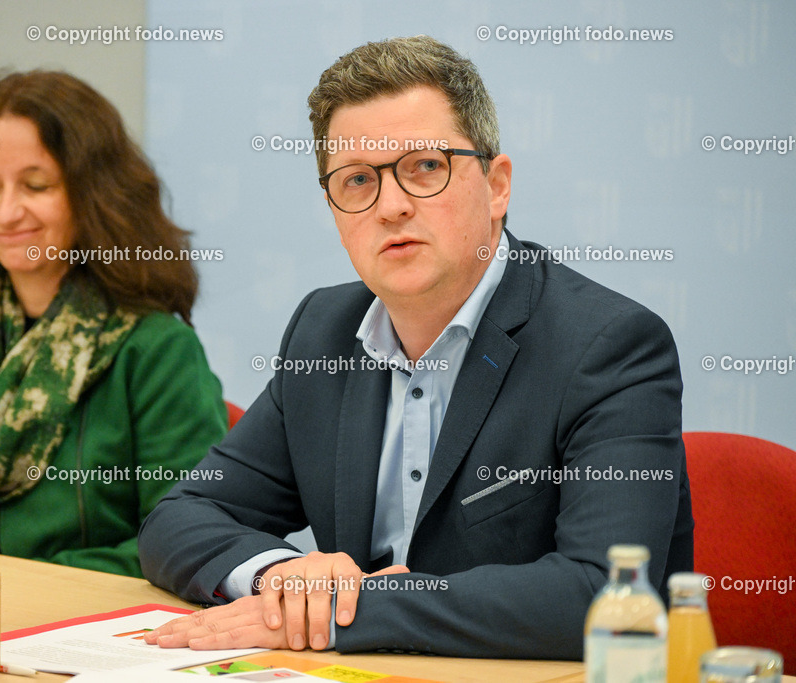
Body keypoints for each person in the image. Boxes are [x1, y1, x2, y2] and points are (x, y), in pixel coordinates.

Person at [138, 36, 693, 658]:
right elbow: (180, 516)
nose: (392, 207)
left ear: (497, 185)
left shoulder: (609, 346)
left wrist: (353, 612)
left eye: (426, 167)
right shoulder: (324, 331)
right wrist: (283, 578)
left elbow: (602, 593)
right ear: (334, 211)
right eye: (357, 180)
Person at [0, 70, 227, 578]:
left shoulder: (159, 351)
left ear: (95, 192)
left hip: (77, 619)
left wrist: (6, 573)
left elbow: (190, 541)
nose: (7, 212)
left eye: (36, 185)